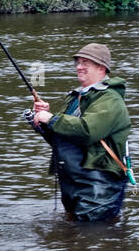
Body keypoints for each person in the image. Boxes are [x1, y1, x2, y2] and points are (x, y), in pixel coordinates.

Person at [30, 43, 131, 222]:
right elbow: (62, 138)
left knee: (94, 236)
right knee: (74, 235)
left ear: (101, 68)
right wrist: (40, 120)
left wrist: (52, 119)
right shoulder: (76, 98)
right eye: (77, 62)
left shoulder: (110, 99)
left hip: (98, 185)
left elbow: (87, 131)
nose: (79, 67)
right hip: (73, 182)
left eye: (85, 63)